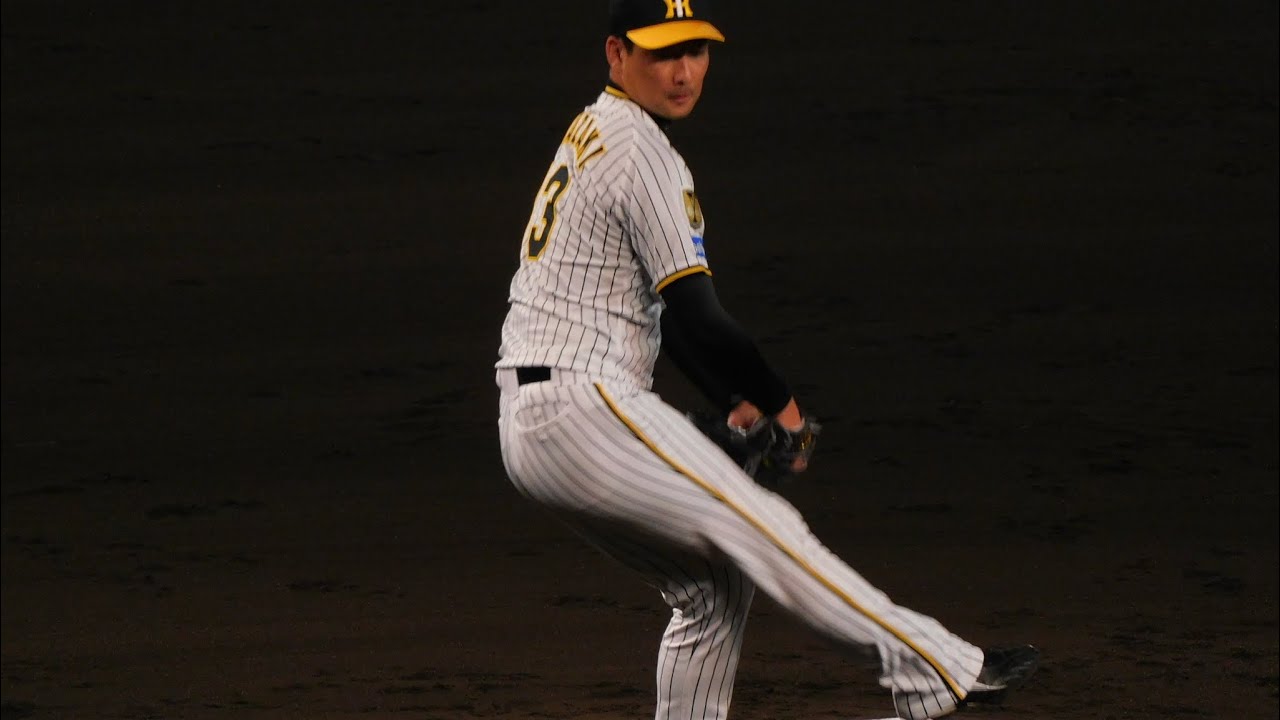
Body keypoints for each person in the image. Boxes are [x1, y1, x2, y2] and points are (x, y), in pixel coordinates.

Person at [495, 2, 1039, 718]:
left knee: (713, 585)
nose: (683, 72)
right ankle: (937, 672)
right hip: (579, 411)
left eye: (695, 51)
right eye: (662, 54)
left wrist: (733, 401)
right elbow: (701, 318)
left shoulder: (596, 128)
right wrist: (783, 408)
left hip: (543, 416)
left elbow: (670, 322)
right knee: (764, 527)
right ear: (616, 54)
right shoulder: (641, 153)